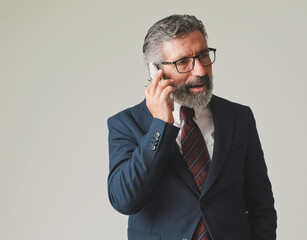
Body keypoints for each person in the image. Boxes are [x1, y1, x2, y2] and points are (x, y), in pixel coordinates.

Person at [107, 14, 277, 240]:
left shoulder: (238, 117)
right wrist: (160, 126)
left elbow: (261, 205)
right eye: (183, 62)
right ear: (155, 71)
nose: (200, 71)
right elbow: (125, 200)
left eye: (203, 55)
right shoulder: (125, 124)